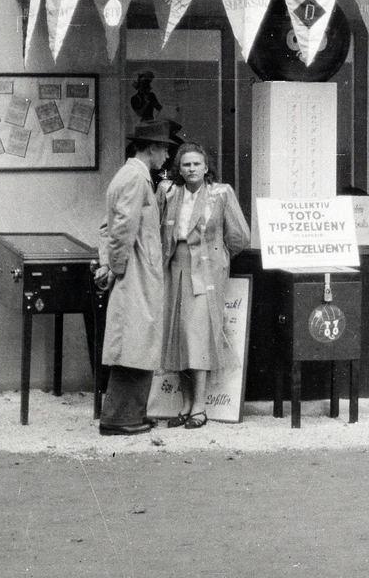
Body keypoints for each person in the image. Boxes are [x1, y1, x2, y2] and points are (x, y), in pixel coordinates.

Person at [160, 142, 251, 429]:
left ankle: (200, 406)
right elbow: (157, 229)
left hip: (206, 272)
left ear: (206, 167)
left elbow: (239, 237)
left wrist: (218, 259)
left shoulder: (220, 193)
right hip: (175, 266)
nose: (191, 169)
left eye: (196, 164)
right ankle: (185, 404)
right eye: (186, 164)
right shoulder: (169, 192)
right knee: (178, 335)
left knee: (196, 335)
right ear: (179, 169)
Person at [93, 121, 172, 436]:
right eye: (165, 149)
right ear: (152, 148)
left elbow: (106, 226)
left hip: (136, 268)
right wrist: (117, 267)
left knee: (137, 341)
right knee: (134, 343)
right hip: (137, 270)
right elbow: (122, 226)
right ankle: (119, 418)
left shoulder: (129, 176)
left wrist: (108, 264)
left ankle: (131, 413)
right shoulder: (137, 178)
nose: (167, 156)